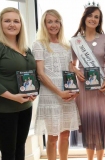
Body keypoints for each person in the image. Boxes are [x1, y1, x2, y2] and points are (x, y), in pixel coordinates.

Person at [70, 3, 105, 160]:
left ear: (99, 20)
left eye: (96, 17)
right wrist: (75, 70)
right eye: (90, 15)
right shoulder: (76, 41)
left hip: (102, 86)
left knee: (101, 124)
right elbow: (71, 64)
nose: (93, 19)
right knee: (89, 124)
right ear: (84, 18)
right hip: (84, 87)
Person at [32, 9, 80, 160]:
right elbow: (40, 74)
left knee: (65, 136)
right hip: (51, 96)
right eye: (49, 21)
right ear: (44, 24)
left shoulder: (66, 45)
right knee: (52, 139)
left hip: (67, 95)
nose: (53, 25)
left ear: (60, 23)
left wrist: (74, 89)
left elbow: (70, 70)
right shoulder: (39, 44)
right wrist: (59, 93)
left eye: (56, 21)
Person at [0, 7, 37, 160]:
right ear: (1, 24)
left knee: (20, 149)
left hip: (25, 107)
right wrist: (12, 96)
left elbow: (32, 73)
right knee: (9, 152)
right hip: (3, 109)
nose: (12, 24)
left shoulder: (25, 48)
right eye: (7, 21)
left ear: (21, 25)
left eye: (16, 21)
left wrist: (33, 91)